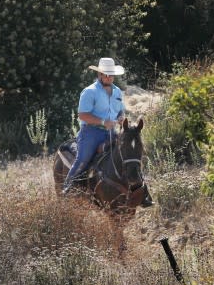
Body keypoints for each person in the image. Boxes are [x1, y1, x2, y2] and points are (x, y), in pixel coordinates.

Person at [62, 57, 153, 206]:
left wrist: (121, 117)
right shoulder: (89, 92)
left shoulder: (117, 91)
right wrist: (103, 122)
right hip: (91, 132)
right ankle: (68, 187)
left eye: (111, 74)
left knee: (130, 154)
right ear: (99, 75)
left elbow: (120, 111)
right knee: (83, 158)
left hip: (111, 132)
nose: (108, 77)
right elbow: (82, 115)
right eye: (105, 74)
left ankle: (143, 194)